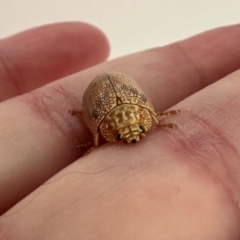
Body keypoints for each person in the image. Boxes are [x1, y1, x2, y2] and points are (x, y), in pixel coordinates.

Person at [0, 22, 239, 239]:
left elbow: (137, 116)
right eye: (122, 135)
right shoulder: (111, 122)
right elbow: (102, 126)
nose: (134, 139)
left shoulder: (132, 117)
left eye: (134, 131)